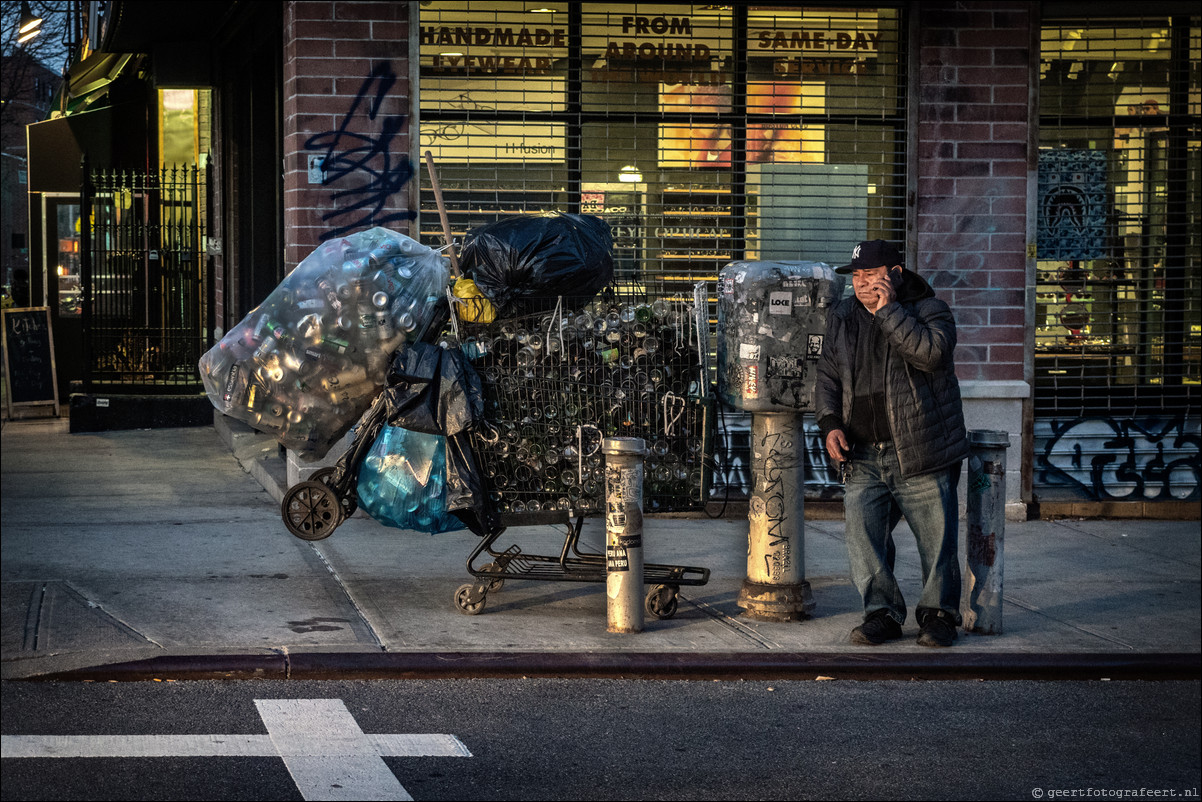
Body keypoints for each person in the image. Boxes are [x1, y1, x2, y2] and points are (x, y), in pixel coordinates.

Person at [814, 239, 969, 648]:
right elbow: (828, 374)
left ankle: (938, 616)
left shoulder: (930, 310)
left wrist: (888, 311)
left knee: (937, 541)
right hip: (862, 453)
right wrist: (829, 423)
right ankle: (882, 613)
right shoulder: (843, 315)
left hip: (920, 449)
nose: (862, 284)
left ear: (895, 274)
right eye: (857, 276)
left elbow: (931, 354)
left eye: (871, 274)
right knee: (863, 537)